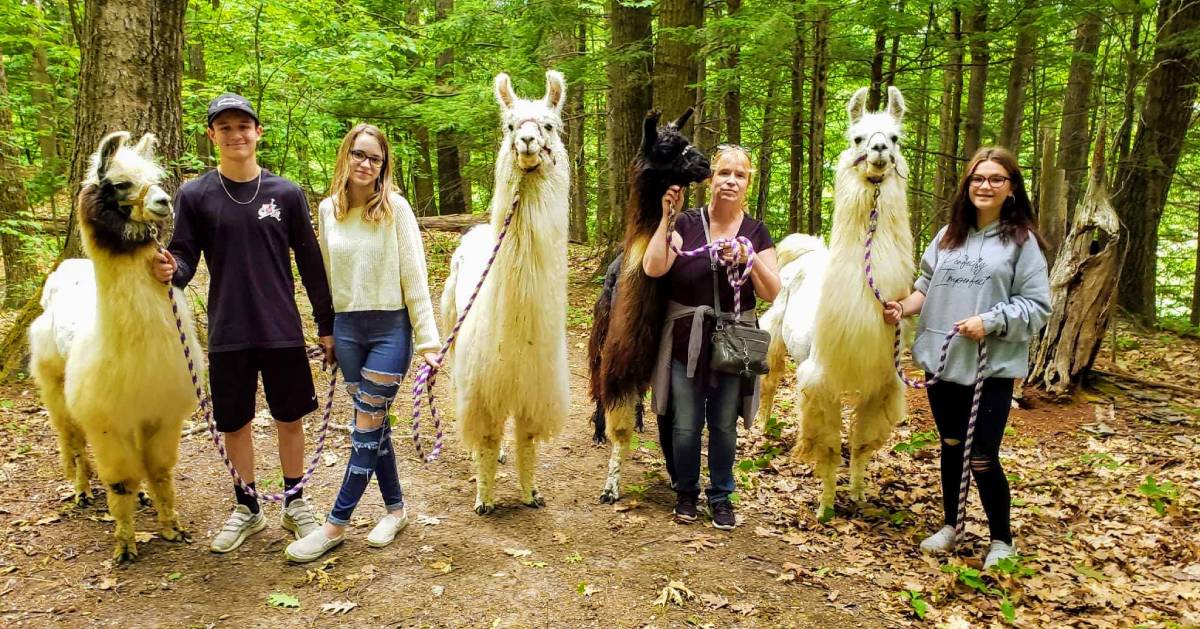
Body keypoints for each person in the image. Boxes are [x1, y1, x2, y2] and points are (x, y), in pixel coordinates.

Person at [152, 93, 335, 553]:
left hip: (282, 329)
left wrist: (326, 324)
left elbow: (311, 264)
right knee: (234, 422)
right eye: (225, 128)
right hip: (228, 331)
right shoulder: (195, 195)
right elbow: (186, 256)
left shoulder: (286, 194)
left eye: (244, 126)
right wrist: (170, 267)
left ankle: (295, 502)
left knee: (289, 417)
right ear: (212, 135)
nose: (236, 135)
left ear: (258, 132)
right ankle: (248, 507)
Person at [883, 147, 1051, 569]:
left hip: (989, 365)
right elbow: (925, 287)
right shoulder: (946, 236)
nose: (986, 186)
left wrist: (991, 321)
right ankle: (952, 525)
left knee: (982, 455)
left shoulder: (1022, 242)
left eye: (996, 179)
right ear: (967, 184)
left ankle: (1001, 539)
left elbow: (1037, 306)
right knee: (952, 445)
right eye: (978, 178)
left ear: (1011, 189)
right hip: (942, 362)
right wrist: (902, 308)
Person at [285, 124, 441, 562]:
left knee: (364, 428)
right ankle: (395, 510)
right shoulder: (328, 210)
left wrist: (429, 342)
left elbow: (415, 281)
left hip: (391, 330)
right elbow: (330, 278)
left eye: (375, 158)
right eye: (359, 154)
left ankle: (335, 524)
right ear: (345, 155)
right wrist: (329, 331)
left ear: (383, 166)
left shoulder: (398, 210)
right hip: (349, 331)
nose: (365, 164)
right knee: (375, 426)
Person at [643, 145, 780, 530]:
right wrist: (666, 217)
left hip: (734, 344)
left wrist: (748, 260)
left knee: (722, 424)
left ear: (748, 182)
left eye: (739, 175)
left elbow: (772, 291)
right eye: (723, 173)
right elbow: (654, 266)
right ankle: (685, 492)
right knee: (685, 422)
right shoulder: (686, 224)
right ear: (711, 179)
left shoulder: (756, 232)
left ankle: (721, 495)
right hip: (687, 339)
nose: (730, 181)